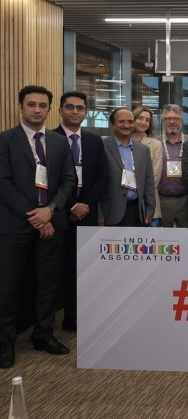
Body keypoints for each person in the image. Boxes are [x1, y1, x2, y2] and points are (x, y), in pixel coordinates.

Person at [0, 85, 77, 367]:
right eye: (31, 104)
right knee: (7, 288)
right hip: (14, 226)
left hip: (52, 223)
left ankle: (43, 334)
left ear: (49, 109)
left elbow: (69, 181)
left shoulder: (58, 142)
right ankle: (4, 342)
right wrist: (35, 215)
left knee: (48, 285)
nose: (36, 109)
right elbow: (3, 183)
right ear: (20, 107)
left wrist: (50, 211)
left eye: (42, 105)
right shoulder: (5, 140)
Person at [53, 91, 109, 332]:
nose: (75, 112)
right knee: (58, 269)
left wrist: (84, 205)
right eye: (70, 107)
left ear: (85, 113)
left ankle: (76, 318)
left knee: (84, 267)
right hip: (57, 213)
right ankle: (53, 321)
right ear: (60, 111)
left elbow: (102, 176)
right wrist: (70, 206)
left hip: (86, 213)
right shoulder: (50, 139)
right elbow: (49, 181)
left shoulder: (95, 141)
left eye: (79, 108)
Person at [100, 108, 156, 227]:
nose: (126, 125)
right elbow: (95, 183)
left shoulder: (143, 150)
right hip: (110, 212)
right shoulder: (101, 147)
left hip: (137, 212)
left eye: (130, 122)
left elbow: (148, 182)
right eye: (121, 122)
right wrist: (99, 213)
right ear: (112, 124)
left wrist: (150, 209)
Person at [156, 104, 188, 228]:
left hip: (187, 200)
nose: (172, 122)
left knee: (187, 238)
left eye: (176, 119)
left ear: (181, 121)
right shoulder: (154, 143)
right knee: (163, 239)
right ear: (163, 121)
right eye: (168, 119)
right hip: (162, 200)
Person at [132, 106, 163, 225]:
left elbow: (155, 176)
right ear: (133, 119)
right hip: (124, 200)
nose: (143, 122)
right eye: (140, 118)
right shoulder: (122, 142)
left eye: (147, 120)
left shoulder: (155, 144)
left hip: (148, 201)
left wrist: (132, 187)